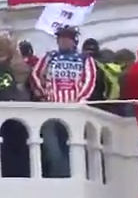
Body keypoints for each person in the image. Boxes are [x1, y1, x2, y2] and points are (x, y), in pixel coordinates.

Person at [30, 26, 96, 178]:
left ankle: (75, 176)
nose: (63, 42)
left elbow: (89, 81)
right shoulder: (49, 57)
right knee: (53, 150)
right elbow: (35, 75)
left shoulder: (85, 59)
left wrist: (80, 101)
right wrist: (43, 94)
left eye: (67, 39)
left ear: (74, 41)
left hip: (74, 110)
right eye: (61, 39)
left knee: (74, 146)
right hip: (52, 109)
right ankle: (60, 176)